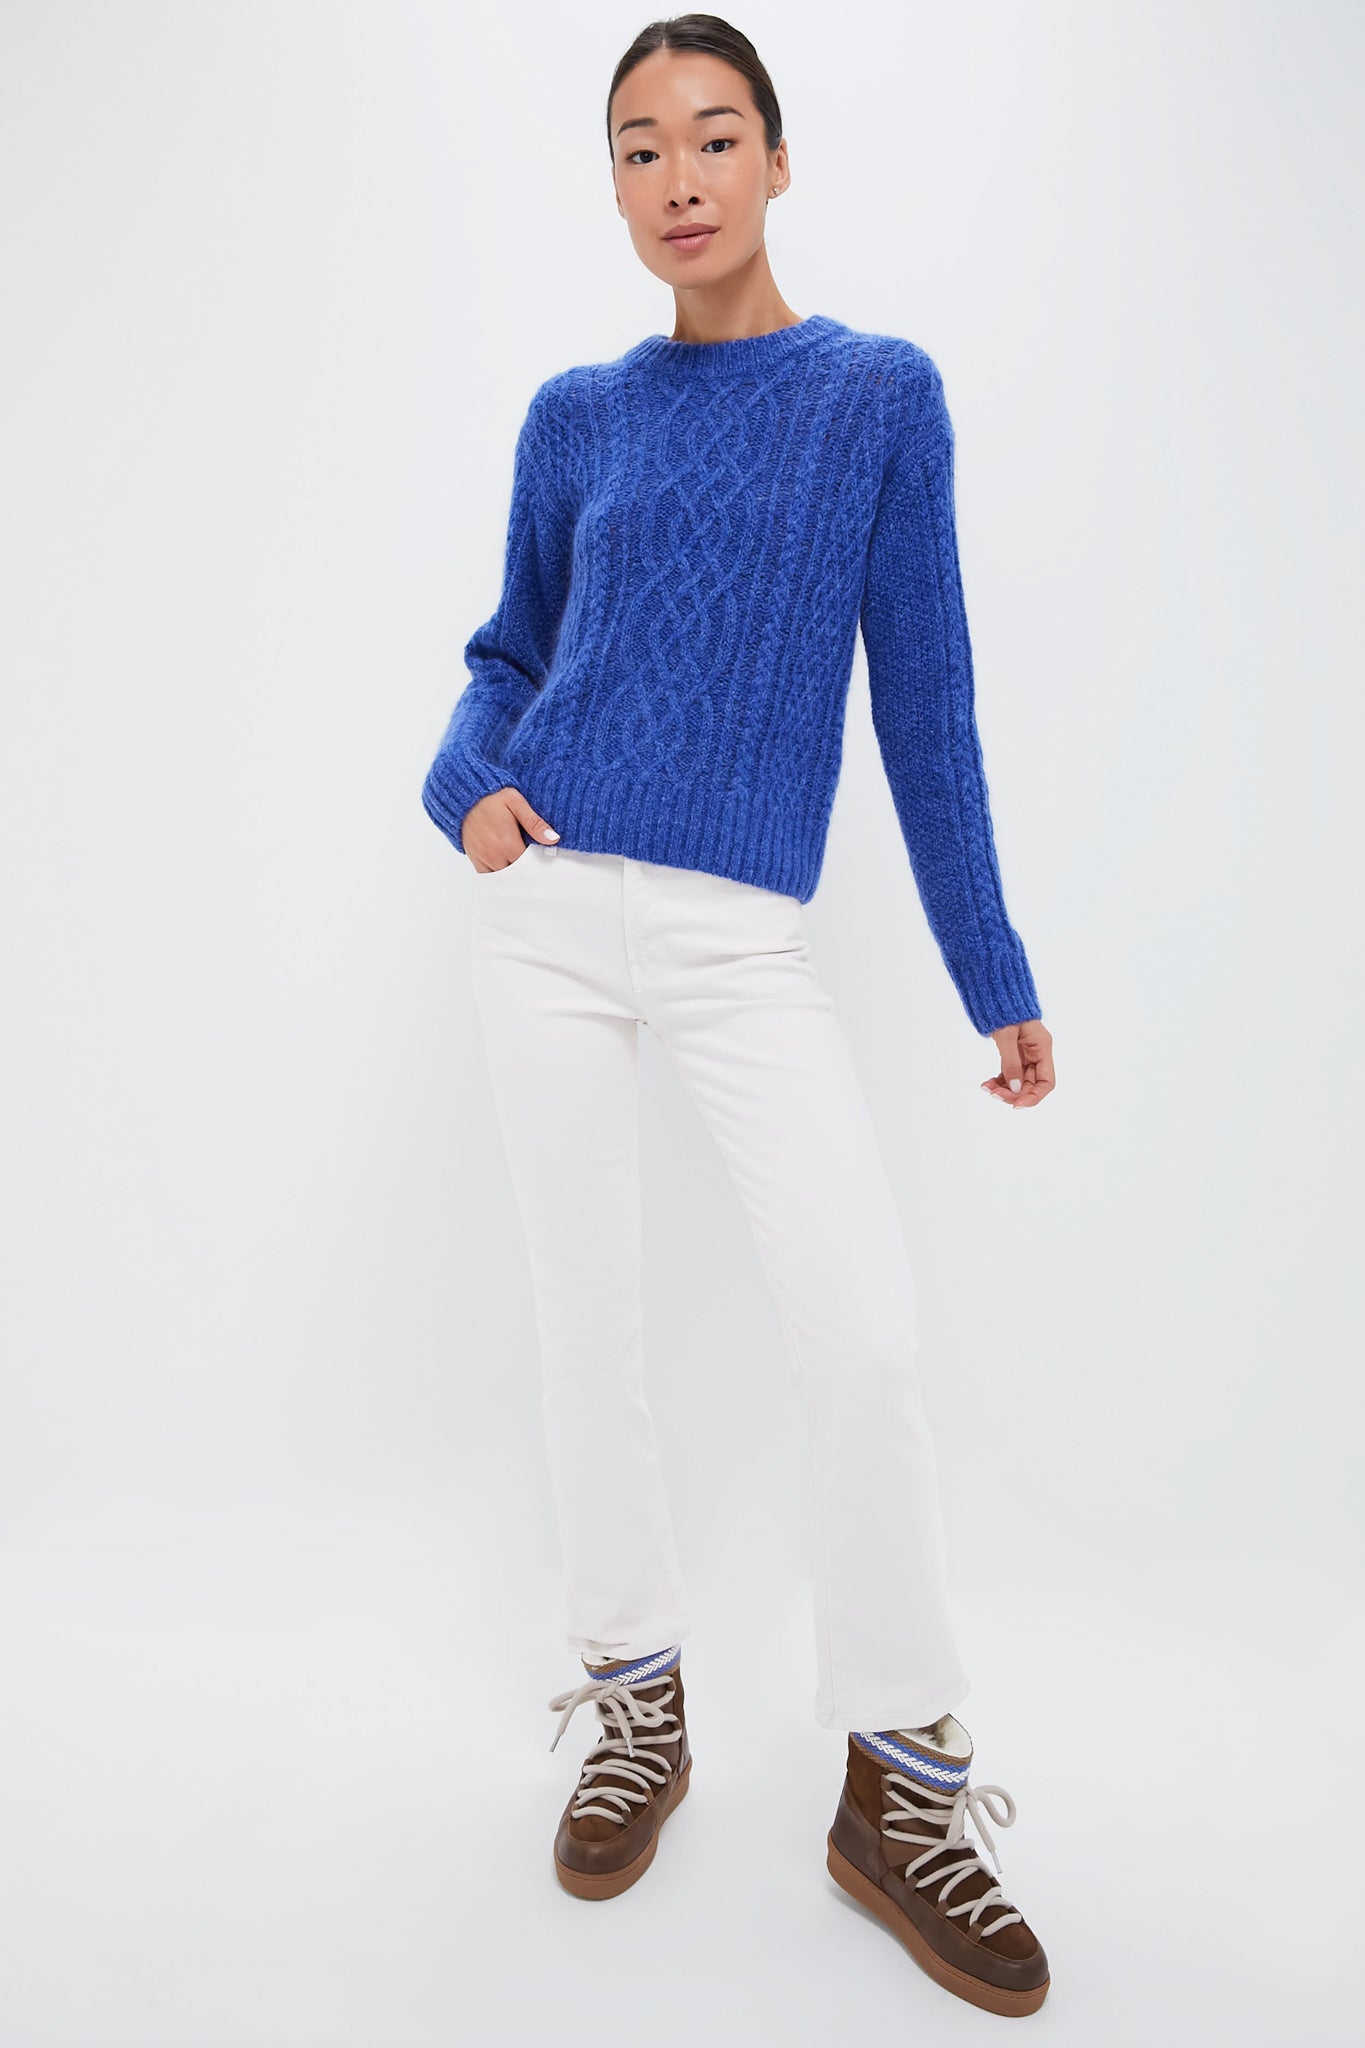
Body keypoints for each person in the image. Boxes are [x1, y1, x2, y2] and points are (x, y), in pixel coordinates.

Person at [421, 14, 1055, 2019]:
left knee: (860, 1342)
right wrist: (467, 785)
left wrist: (991, 971)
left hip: (732, 938)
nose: (677, 177)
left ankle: (900, 1783)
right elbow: (506, 652)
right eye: (638, 147)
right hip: (542, 910)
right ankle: (635, 1699)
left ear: (778, 160)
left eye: (712, 137)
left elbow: (924, 704)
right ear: (611, 186)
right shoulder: (573, 415)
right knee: (583, 1324)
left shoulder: (874, 396)